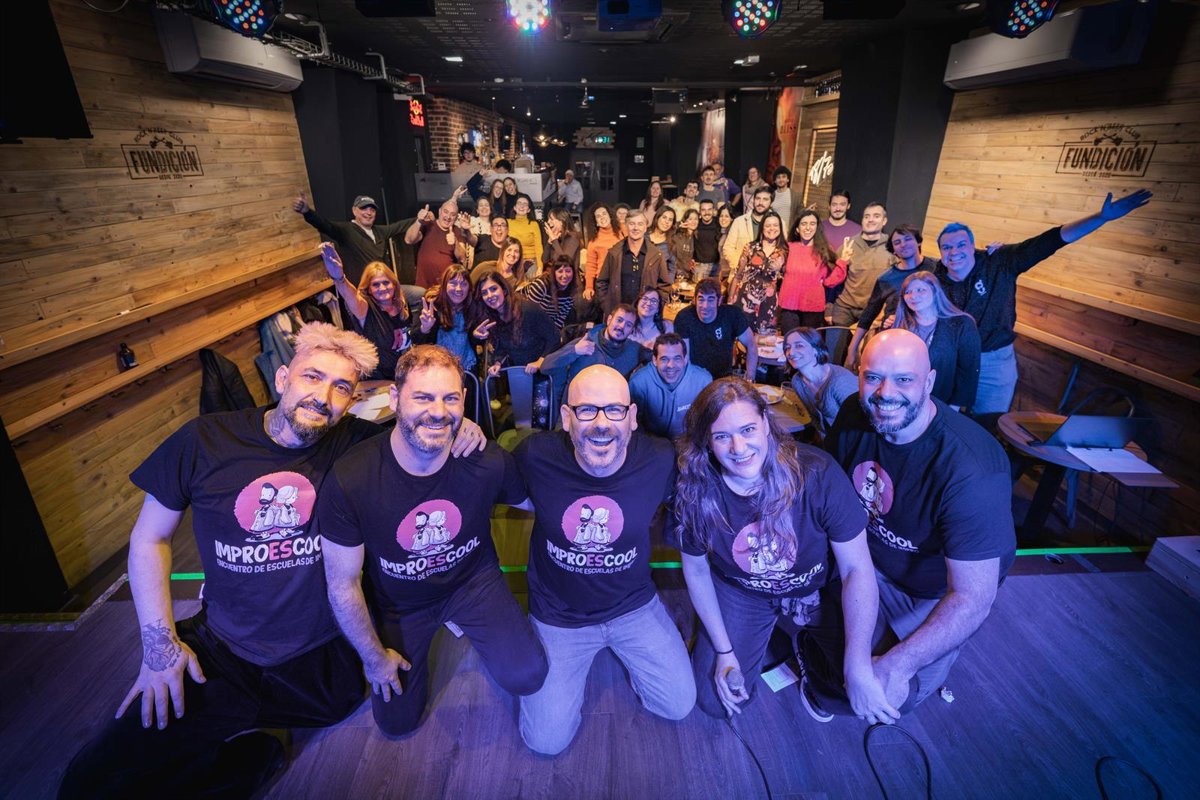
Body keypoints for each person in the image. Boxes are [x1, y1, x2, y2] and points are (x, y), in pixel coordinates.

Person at [58, 323, 484, 799]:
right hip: (225, 651)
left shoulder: (354, 442)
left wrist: (462, 426)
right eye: (312, 377)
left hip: (321, 662)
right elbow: (149, 539)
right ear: (282, 378)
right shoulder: (205, 441)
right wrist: (159, 649)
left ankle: (255, 752)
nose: (323, 397)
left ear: (351, 401)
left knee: (330, 709)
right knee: (89, 785)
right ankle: (249, 757)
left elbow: (422, 427)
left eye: (341, 387)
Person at [318, 345, 548, 737]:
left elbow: (539, 504)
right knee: (396, 723)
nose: (438, 412)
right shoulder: (352, 477)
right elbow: (342, 584)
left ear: (464, 399)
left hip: (473, 583)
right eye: (423, 398)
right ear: (395, 398)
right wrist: (374, 658)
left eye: (450, 398)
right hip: (400, 602)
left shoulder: (485, 459)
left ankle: (467, 622)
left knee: (528, 676)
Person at [817, 329, 1016, 718]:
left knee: (892, 694)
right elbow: (829, 491)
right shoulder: (855, 411)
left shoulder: (972, 469)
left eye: (904, 379)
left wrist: (897, 665)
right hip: (865, 561)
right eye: (873, 377)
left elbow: (973, 597)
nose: (885, 393)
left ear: (929, 382)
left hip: (931, 591)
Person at [673, 377, 892, 723]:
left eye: (747, 429)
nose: (738, 447)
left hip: (817, 587)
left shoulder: (817, 474)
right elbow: (697, 569)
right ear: (707, 442)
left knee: (885, 687)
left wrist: (858, 664)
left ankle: (809, 657)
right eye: (721, 436)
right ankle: (763, 631)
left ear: (765, 422)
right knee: (716, 702)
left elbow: (856, 569)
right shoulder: (696, 487)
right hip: (742, 590)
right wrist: (724, 651)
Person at [514, 365, 696, 755]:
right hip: (559, 614)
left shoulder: (659, 459)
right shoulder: (535, 456)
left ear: (632, 418)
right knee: (545, 742)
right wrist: (464, 433)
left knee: (679, 705)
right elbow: (487, 480)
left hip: (634, 605)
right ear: (566, 418)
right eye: (586, 410)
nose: (601, 423)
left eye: (614, 410)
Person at [934, 188, 1152, 416]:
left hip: (994, 361)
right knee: (943, 417)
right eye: (946, 247)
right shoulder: (935, 280)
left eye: (961, 244)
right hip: (953, 359)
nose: (954, 252)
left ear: (972, 246)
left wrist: (1100, 218)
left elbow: (1049, 241)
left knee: (988, 422)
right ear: (941, 253)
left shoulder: (1000, 262)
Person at [845, 224, 935, 369]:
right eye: (897, 242)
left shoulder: (936, 268)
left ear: (918, 241)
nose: (903, 244)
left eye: (908, 239)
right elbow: (869, 313)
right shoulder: (886, 278)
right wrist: (852, 348)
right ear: (893, 249)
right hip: (893, 337)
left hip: (928, 336)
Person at [890, 271, 980, 410]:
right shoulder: (899, 326)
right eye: (908, 292)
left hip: (941, 404)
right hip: (902, 402)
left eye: (920, 290)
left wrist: (952, 410)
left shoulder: (961, 324)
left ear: (935, 292)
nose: (913, 296)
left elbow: (968, 371)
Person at [321, 245, 411, 381]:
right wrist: (339, 278)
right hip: (379, 381)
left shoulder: (402, 304)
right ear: (368, 289)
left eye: (386, 282)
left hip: (404, 374)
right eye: (375, 284)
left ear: (394, 284)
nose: (382, 288)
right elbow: (352, 297)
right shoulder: (366, 308)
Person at [293, 192, 409, 286]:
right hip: (361, 293)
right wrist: (307, 212)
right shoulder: (346, 230)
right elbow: (325, 225)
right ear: (354, 210)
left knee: (415, 294)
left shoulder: (379, 231)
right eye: (364, 208)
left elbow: (400, 226)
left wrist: (419, 219)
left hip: (383, 287)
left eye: (372, 210)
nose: (369, 213)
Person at [470, 269, 559, 375]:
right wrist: (498, 364)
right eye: (484, 293)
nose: (489, 295)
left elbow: (554, 337)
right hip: (520, 373)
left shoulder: (528, 309)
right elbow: (502, 347)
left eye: (493, 289)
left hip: (545, 373)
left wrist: (540, 361)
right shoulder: (492, 317)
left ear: (504, 289)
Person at [540, 304, 641, 394]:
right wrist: (574, 351)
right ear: (609, 320)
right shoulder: (584, 342)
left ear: (632, 331)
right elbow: (545, 367)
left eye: (628, 325)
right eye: (619, 320)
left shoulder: (634, 350)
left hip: (612, 407)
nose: (621, 326)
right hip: (577, 406)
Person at [628, 333, 712, 438]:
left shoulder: (703, 381)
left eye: (677, 358)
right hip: (652, 441)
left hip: (690, 440)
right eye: (664, 359)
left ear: (685, 360)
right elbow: (633, 424)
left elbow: (709, 421)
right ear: (655, 360)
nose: (671, 365)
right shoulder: (639, 382)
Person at [673, 277, 757, 380]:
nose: (705, 306)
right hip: (695, 379)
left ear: (719, 300)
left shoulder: (732, 315)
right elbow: (683, 357)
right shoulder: (684, 317)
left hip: (724, 379)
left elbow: (751, 344)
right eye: (701, 299)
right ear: (694, 300)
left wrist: (750, 378)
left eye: (711, 299)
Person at [778, 210, 846, 333]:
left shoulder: (824, 250)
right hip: (789, 305)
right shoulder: (788, 248)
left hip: (813, 306)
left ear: (817, 228)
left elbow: (829, 282)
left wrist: (843, 262)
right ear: (797, 229)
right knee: (789, 340)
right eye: (804, 224)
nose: (808, 228)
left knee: (809, 342)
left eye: (812, 223)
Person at [784, 327, 858, 440]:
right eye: (787, 347)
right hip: (829, 441)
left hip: (854, 442)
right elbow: (815, 419)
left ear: (816, 349)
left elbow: (861, 426)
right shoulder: (797, 382)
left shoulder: (840, 382)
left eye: (799, 345)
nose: (791, 352)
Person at [830, 202, 894, 328]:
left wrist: (889, 311)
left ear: (884, 221)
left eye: (876, 216)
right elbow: (831, 279)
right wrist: (828, 308)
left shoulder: (892, 247)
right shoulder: (848, 245)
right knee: (835, 341)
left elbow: (898, 285)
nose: (870, 220)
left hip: (873, 312)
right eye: (866, 216)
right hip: (844, 309)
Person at [595, 210, 670, 318]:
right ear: (626, 226)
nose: (636, 228)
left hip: (645, 316)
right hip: (619, 315)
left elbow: (664, 286)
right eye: (632, 223)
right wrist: (607, 305)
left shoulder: (656, 255)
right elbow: (602, 282)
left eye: (640, 224)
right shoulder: (614, 253)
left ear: (645, 228)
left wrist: (655, 308)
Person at [728, 210, 788, 334]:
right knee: (741, 337)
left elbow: (786, 278)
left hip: (768, 303)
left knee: (764, 341)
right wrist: (730, 299)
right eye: (768, 225)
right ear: (762, 228)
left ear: (780, 228)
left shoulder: (784, 252)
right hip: (745, 300)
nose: (772, 228)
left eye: (775, 225)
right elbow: (738, 275)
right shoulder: (750, 247)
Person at [412, 264, 477, 372]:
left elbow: (475, 342)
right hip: (435, 368)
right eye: (453, 283)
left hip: (466, 366)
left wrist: (477, 336)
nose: (458, 289)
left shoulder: (471, 305)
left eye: (463, 284)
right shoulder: (431, 303)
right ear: (444, 284)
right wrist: (425, 328)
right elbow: (416, 340)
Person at [404, 192, 471, 289]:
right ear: (439, 211)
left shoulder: (457, 231)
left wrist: (455, 242)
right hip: (423, 286)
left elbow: (462, 258)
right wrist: (418, 221)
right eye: (445, 212)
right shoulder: (428, 225)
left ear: (456, 218)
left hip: (445, 288)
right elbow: (408, 240)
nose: (448, 217)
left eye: (452, 215)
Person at [523, 255, 586, 334]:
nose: (564, 275)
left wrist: (554, 334)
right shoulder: (541, 285)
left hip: (545, 321)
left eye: (568, 271)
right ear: (554, 273)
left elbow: (560, 318)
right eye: (560, 271)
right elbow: (529, 313)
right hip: (524, 318)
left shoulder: (572, 290)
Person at [722, 186, 774, 279]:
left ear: (771, 203)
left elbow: (780, 250)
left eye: (765, 199)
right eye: (758, 198)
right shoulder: (739, 221)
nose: (760, 202)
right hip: (740, 276)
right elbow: (728, 248)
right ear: (753, 200)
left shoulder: (778, 224)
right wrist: (740, 266)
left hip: (765, 278)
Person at [582, 202, 622, 297]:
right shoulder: (593, 242)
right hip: (604, 282)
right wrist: (589, 287)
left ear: (610, 215)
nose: (602, 217)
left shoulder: (622, 231)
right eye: (598, 216)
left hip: (622, 278)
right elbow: (590, 266)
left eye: (604, 214)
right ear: (596, 222)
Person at [507, 195, 544, 278]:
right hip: (513, 259)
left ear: (529, 210)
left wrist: (540, 267)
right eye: (519, 203)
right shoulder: (507, 223)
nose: (522, 206)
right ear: (514, 207)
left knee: (532, 279)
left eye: (525, 204)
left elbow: (538, 247)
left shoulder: (534, 224)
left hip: (531, 260)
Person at [629, 285, 672, 352]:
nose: (648, 303)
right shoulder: (628, 325)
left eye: (653, 301)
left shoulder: (667, 327)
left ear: (658, 309)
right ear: (637, 303)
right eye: (645, 299)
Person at [542, 207, 582, 272]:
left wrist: (554, 240)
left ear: (561, 221)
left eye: (551, 219)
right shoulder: (557, 237)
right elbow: (544, 260)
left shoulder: (573, 238)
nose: (548, 222)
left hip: (568, 276)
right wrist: (549, 242)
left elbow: (565, 262)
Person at [692, 199, 722, 282]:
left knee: (716, 289)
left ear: (714, 211)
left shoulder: (719, 223)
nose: (707, 213)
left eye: (709, 209)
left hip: (717, 266)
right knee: (699, 289)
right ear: (699, 211)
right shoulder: (695, 224)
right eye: (703, 210)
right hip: (700, 266)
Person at [648, 206, 678, 284]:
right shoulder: (644, 237)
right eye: (664, 217)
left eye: (670, 220)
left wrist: (667, 284)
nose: (667, 222)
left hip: (658, 285)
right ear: (657, 218)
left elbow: (672, 268)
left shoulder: (671, 243)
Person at [770, 166, 803, 231]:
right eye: (778, 177)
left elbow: (800, 211)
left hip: (790, 232)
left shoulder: (796, 196)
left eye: (784, 177)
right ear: (775, 181)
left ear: (788, 179)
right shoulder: (770, 196)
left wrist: (808, 210)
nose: (781, 179)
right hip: (774, 231)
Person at [672, 208, 699, 282]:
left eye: (696, 219)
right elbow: (677, 257)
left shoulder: (694, 236)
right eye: (690, 219)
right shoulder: (679, 235)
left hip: (687, 275)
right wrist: (678, 225)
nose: (693, 221)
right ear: (685, 221)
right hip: (677, 275)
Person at [716, 203, 737, 283]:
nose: (723, 219)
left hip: (731, 276)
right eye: (721, 216)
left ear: (732, 218)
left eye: (726, 216)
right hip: (723, 274)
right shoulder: (723, 233)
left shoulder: (733, 234)